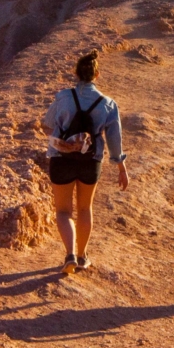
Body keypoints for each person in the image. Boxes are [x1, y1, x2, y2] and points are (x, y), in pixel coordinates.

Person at [42, 51, 128, 274]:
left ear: (76, 73)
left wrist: (65, 137)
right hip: (91, 161)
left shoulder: (63, 97)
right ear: (97, 74)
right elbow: (114, 139)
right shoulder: (108, 104)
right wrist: (121, 167)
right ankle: (82, 257)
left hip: (61, 160)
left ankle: (69, 255)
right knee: (85, 208)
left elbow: (47, 125)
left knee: (63, 211)